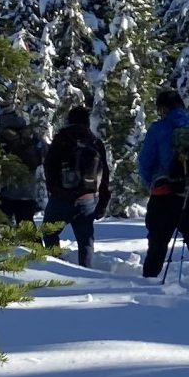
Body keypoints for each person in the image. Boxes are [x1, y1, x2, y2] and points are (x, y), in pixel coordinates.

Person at [136, 90, 189, 281]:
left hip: (165, 191)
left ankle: (150, 276)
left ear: (162, 108)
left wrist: (152, 184)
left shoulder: (158, 128)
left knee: (158, 238)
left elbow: (145, 162)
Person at [41, 106, 111, 269]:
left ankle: (56, 266)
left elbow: (49, 166)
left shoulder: (62, 139)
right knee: (85, 239)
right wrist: (102, 202)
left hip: (62, 197)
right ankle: (86, 271)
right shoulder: (94, 141)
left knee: (49, 232)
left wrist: (54, 189)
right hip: (87, 198)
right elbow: (104, 174)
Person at [0, 108, 47, 234]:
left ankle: (2, 251)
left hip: (5, 191)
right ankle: (37, 251)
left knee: (1, 227)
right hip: (28, 192)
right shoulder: (31, 135)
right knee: (28, 226)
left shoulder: (0, 135)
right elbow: (43, 155)